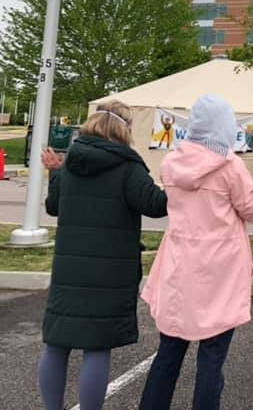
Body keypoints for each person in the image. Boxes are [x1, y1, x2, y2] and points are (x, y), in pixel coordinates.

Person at [138, 94, 253, 410]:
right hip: (219, 275)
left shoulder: (171, 164)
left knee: (168, 355)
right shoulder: (231, 167)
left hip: (178, 271)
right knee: (212, 360)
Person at [38, 100, 168, 410]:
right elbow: (155, 205)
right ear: (124, 129)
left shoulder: (70, 163)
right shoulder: (128, 167)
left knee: (56, 344)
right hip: (110, 274)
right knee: (97, 348)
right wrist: (181, 181)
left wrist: (55, 174)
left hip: (68, 271)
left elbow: (54, 206)